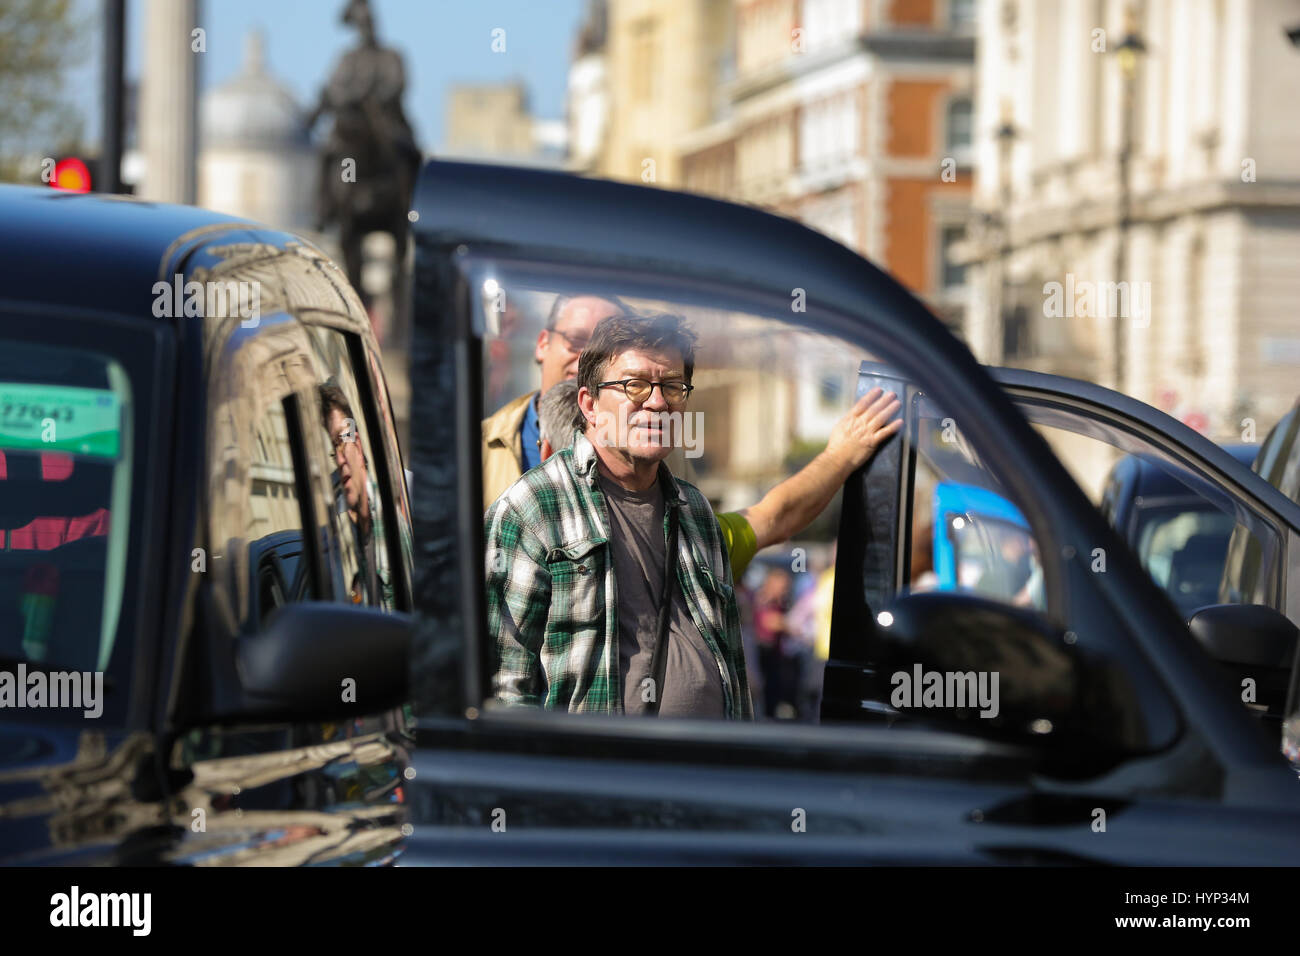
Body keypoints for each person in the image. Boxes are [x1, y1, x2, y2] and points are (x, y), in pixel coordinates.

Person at [485, 312, 902, 718]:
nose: (657, 401)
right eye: (634, 385)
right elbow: (504, 689)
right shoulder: (533, 509)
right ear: (589, 404)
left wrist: (842, 456)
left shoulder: (694, 511)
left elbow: (777, 516)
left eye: (672, 386)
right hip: (598, 781)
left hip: (709, 775)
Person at [534, 377, 903, 582]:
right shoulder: (692, 534)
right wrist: (840, 455)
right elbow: (776, 517)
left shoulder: (517, 531)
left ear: (544, 450)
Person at [481, 293, 627, 509]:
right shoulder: (480, 446)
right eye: (576, 341)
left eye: (607, 352)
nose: (586, 361)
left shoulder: (652, 453)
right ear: (542, 344)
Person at [320, 383, 392, 609]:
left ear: (358, 445)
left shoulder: (398, 505)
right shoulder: (339, 530)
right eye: (334, 448)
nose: (340, 460)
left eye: (343, 442)